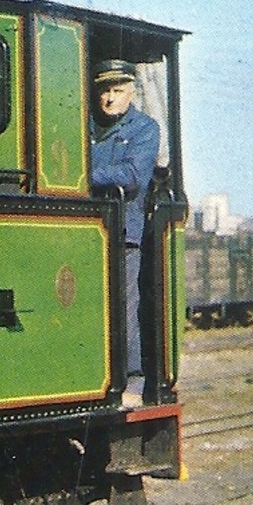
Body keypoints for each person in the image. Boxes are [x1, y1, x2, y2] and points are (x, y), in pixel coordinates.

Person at [89, 59, 160, 409]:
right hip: (85, 228)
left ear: (132, 92)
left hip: (123, 230)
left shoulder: (146, 129)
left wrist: (84, 172)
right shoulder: (85, 125)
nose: (110, 98)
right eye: (104, 90)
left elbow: (132, 175)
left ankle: (133, 379)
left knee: (124, 304)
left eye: (117, 91)